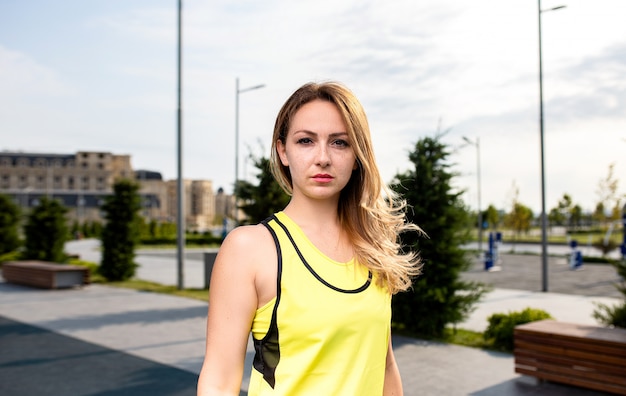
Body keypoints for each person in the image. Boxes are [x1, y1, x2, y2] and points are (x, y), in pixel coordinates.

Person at [197, 81, 422, 396]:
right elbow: (218, 383)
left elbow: (383, 366)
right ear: (283, 151)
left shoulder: (373, 249)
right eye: (305, 141)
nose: (323, 158)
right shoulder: (250, 249)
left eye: (340, 143)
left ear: (357, 155)